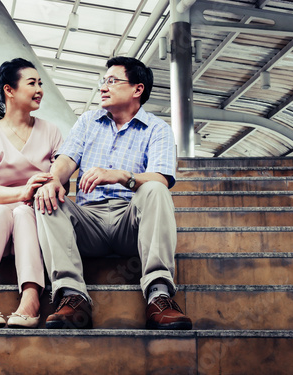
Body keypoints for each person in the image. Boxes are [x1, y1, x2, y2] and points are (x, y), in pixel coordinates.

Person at [34, 56, 192, 330]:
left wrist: (121, 176)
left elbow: (162, 178)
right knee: (47, 197)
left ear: (137, 89)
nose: (103, 88)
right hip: (88, 222)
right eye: (102, 81)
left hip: (131, 223)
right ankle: (72, 296)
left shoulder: (158, 129)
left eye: (112, 81)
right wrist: (53, 180)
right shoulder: (87, 121)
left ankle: (159, 296)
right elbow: (65, 161)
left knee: (155, 189)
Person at [0, 58, 63, 329]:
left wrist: (29, 198)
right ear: (9, 90)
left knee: (21, 212)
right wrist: (24, 191)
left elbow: (60, 182)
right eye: (32, 83)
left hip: (33, 223)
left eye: (40, 83)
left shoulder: (51, 131)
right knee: (1, 211)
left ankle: (31, 297)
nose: (40, 88)